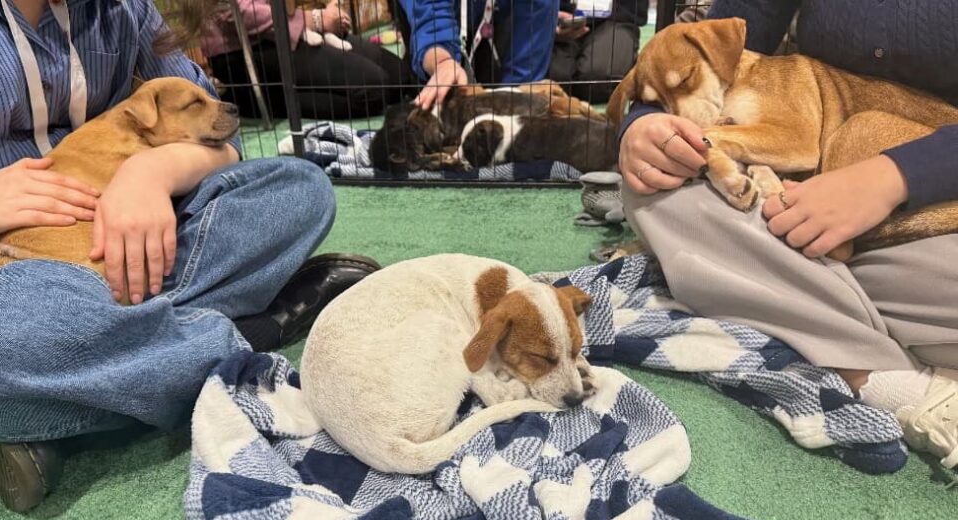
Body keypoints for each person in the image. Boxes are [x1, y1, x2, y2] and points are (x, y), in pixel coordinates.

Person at [0, 0, 380, 513]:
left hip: (119, 235)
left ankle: (55, 383)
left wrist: (152, 173)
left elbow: (217, 133)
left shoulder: (120, 11)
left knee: (299, 187)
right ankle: (252, 333)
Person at [616, 0, 958, 469]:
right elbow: (710, 38)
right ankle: (892, 378)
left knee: (718, 229)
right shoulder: (756, 76)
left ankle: (812, 318)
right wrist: (646, 127)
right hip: (821, 206)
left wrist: (894, 177)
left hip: (936, 203)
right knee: (658, 194)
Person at [202, 0, 417, 120]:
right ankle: (255, 99)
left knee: (399, 77)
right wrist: (315, 19)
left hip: (290, 26)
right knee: (373, 90)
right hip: (244, 46)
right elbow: (233, 10)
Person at [393, 0, 559, 110]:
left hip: (494, 20)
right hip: (438, 26)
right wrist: (443, 62)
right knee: (444, 97)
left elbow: (527, 63)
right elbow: (431, 21)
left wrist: (514, 100)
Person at [548, 0, 648, 104]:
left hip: (615, 18)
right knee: (555, 79)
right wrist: (548, 19)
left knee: (600, 80)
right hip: (554, 17)